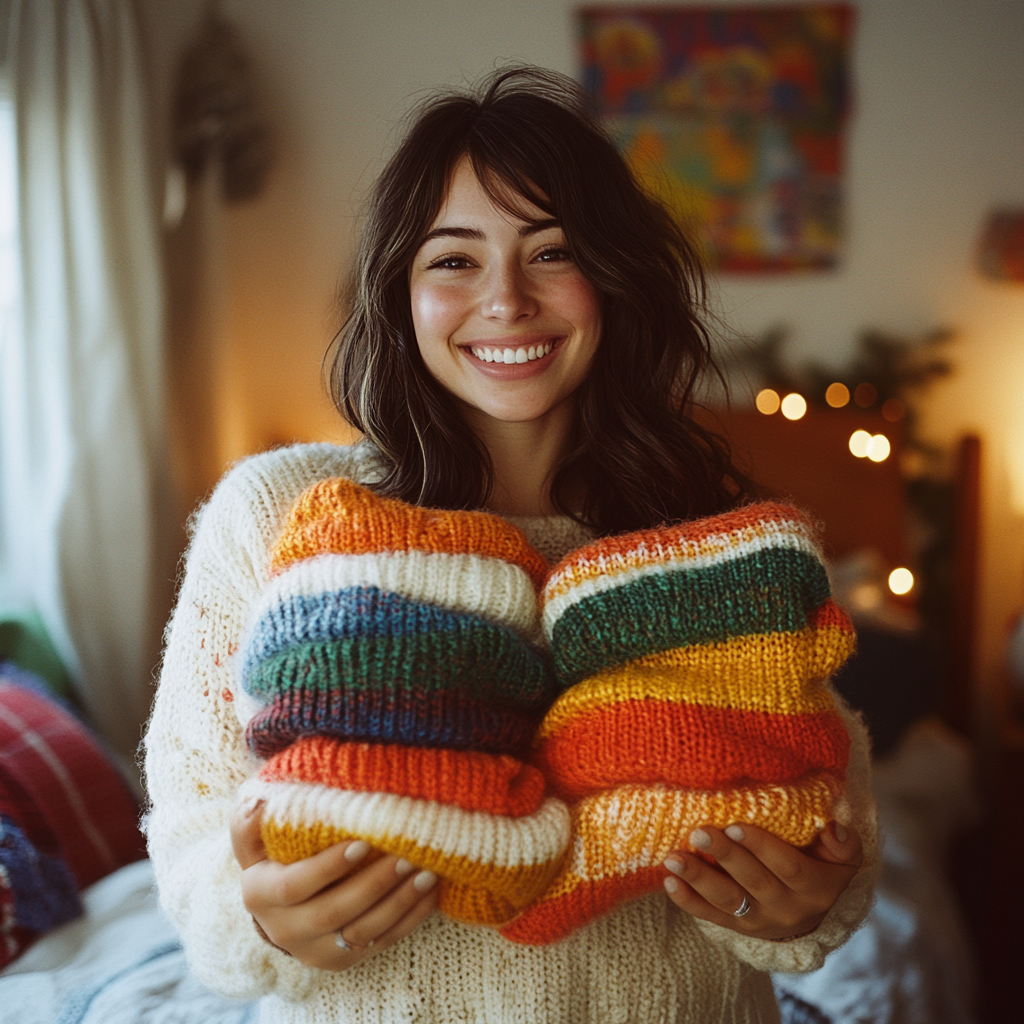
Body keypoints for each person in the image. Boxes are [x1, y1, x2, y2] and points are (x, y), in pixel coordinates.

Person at [143, 66, 877, 1023]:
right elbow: (194, 829)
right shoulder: (277, 513)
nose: (506, 301)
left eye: (552, 252)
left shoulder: (727, 544)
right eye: (454, 260)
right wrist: (261, 921)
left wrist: (806, 909)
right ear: (399, 290)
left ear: (614, 278)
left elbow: (840, 817)